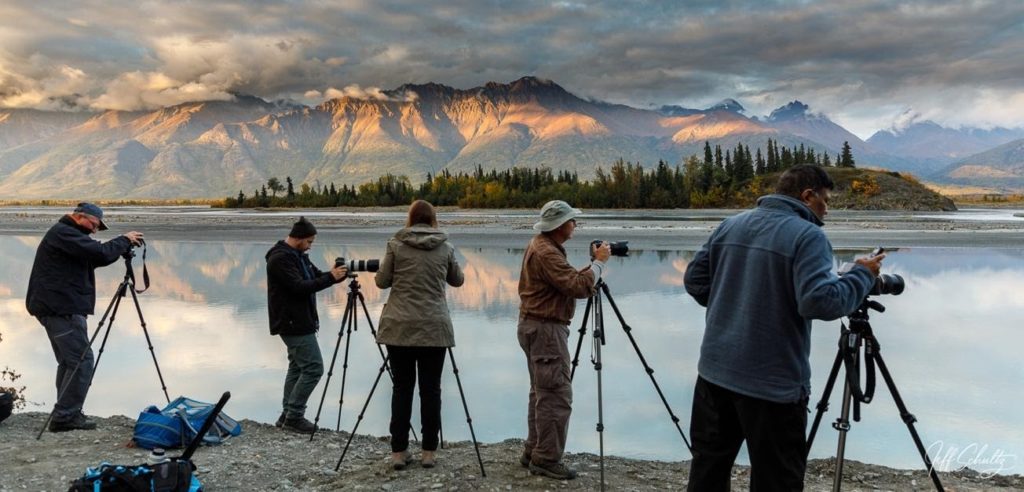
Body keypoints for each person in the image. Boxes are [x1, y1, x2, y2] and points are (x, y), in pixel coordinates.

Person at [683, 165, 884, 490]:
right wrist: (862, 275)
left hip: (714, 374)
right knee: (777, 481)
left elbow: (694, 280)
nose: (827, 209)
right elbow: (820, 302)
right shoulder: (809, 236)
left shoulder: (731, 225)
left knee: (707, 471)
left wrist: (736, 305)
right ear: (807, 196)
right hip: (773, 386)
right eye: (825, 200)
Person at [26, 202, 144, 432]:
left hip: (58, 306)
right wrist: (124, 239)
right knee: (81, 360)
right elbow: (99, 252)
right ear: (80, 217)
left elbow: (97, 257)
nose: (95, 230)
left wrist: (119, 247)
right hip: (60, 308)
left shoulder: (68, 235)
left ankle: (64, 411)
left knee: (70, 361)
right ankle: (65, 417)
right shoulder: (64, 233)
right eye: (94, 224)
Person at [517, 200, 611, 480]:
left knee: (541, 391)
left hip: (536, 327)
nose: (575, 225)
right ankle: (545, 458)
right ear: (559, 226)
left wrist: (592, 268)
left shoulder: (543, 246)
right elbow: (577, 287)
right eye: (572, 221)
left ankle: (534, 450)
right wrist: (599, 265)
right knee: (556, 394)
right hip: (545, 330)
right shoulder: (547, 252)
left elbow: (567, 281)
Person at [375, 200, 465, 470]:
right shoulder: (446, 247)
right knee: (431, 390)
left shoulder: (395, 245)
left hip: (399, 327)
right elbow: (458, 280)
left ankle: (399, 453)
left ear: (410, 219)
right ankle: (428, 452)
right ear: (433, 220)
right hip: (433, 328)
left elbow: (381, 281)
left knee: (402, 388)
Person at [266, 216, 347, 434]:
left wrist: (335, 276)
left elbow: (317, 277)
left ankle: (286, 415)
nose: (310, 246)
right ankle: (295, 416)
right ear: (299, 238)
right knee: (313, 368)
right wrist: (330, 278)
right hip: (292, 322)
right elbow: (300, 287)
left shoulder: (298, 256)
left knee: (297, 367)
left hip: (300, 320)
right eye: (309, 242)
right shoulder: (280, 259)